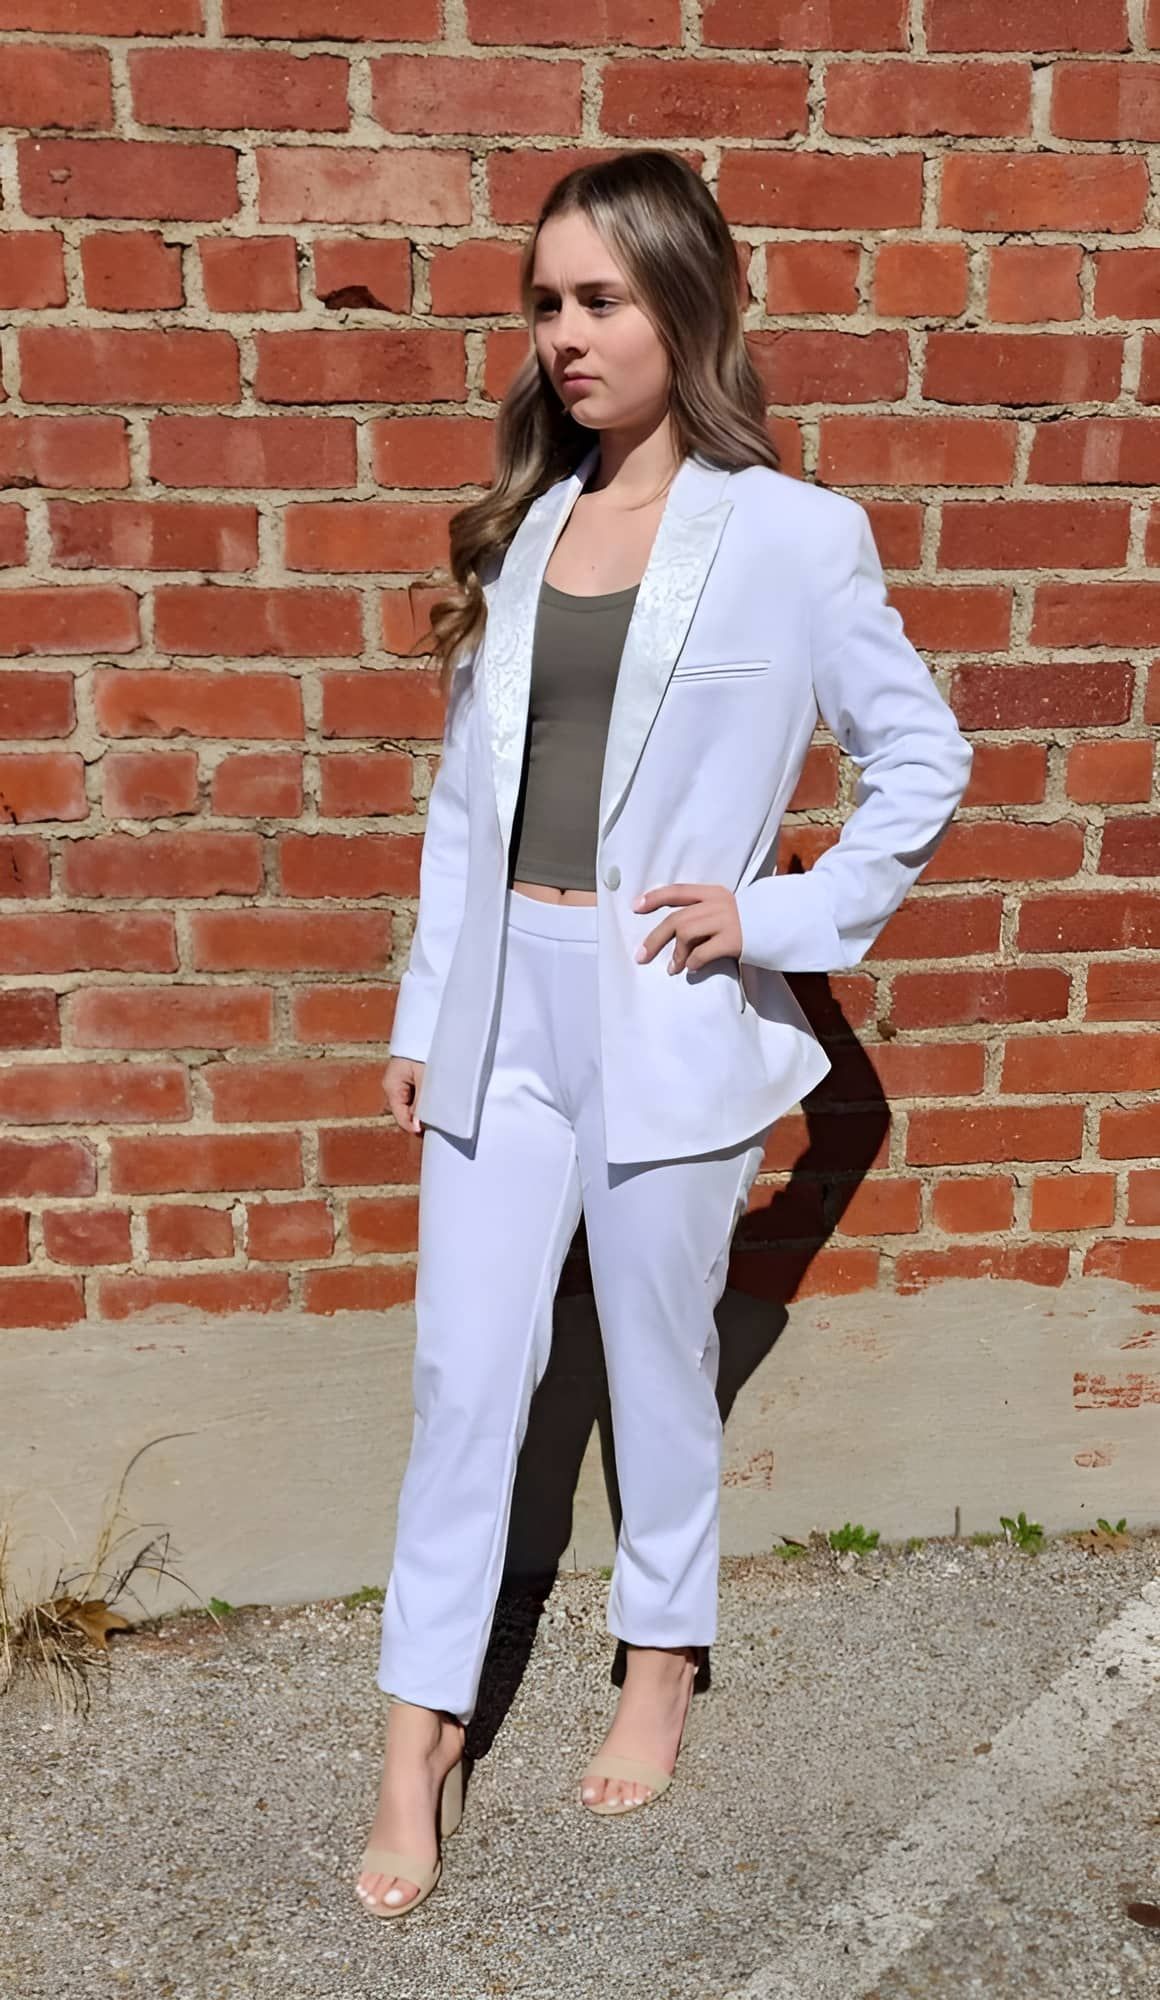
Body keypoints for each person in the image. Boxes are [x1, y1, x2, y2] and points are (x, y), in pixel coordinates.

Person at [356, 149, 974, 1918]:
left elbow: (924, 760)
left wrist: (769, 918)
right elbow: (470, 811)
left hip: (668, 1005)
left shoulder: (792, 534)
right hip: (503, 1013)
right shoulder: (529, 521)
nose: (565, 335)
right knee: (467, 1375)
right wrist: (427, 1008)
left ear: (685, 305)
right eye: (545, 301)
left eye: (601, 299)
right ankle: (418, 1731)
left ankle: (659, 1662)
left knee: (652, 1364)